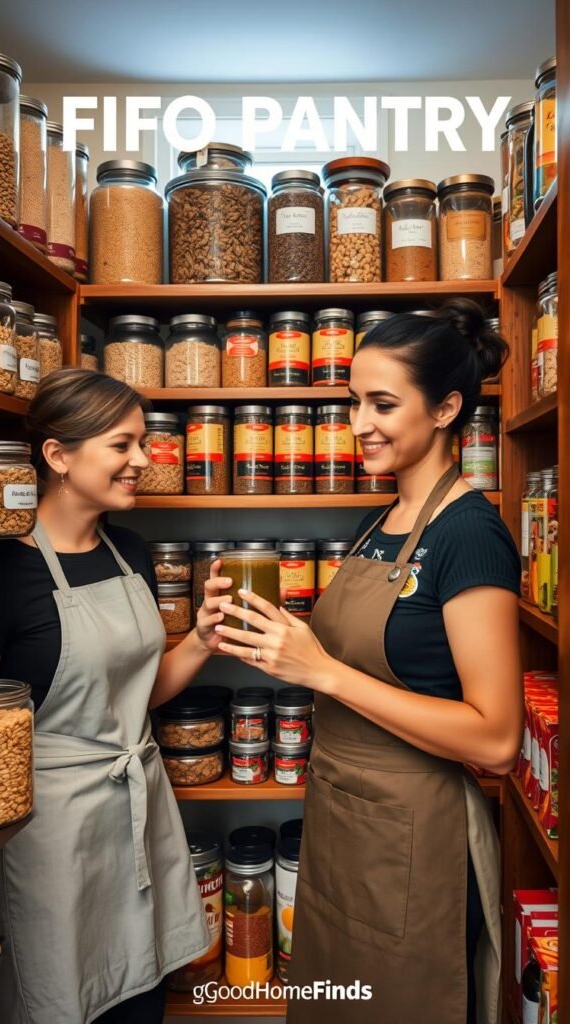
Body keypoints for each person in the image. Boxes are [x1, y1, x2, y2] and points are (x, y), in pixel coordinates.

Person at [212, 300, 523, 1024]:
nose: (358, 424)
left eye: (382, 403)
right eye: (353, 401)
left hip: (417, 843)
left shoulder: (469, 535)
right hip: (343, 825)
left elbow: (496, 739)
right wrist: (265, 637)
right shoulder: (375, 524)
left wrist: (321, 671)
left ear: (446, 408)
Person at [0, 369, 234, 1024]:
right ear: (58, 456)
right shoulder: (5, 569)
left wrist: (204, 637)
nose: (143, 460)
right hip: (52, 833)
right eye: (121, 445)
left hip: (139, 810)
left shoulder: (129, 550)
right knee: (58, 996)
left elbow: (137, 694)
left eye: (143, 443)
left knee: (140, 994)